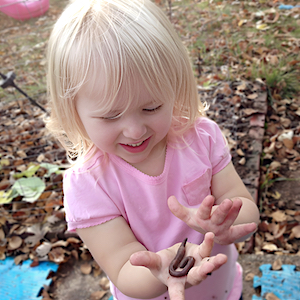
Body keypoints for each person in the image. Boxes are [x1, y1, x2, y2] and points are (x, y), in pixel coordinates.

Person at [46, 0, 260, 299]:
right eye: (110, 116)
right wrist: (159, 269)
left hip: (221, 287)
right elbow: (122, 267)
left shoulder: (200, 137)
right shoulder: (89, 185)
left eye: (152, 107)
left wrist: (228, 224)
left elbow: (244, 206)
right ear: (73, 111)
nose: (135, 131)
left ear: (174, 86)